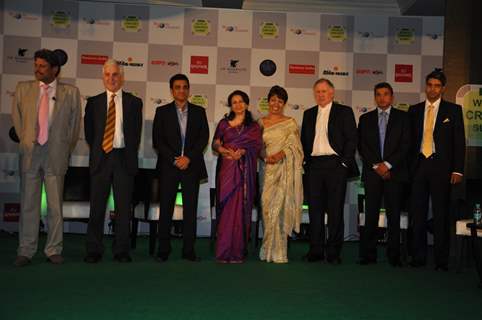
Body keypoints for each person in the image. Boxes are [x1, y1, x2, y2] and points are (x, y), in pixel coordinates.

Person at [12, 48, 81, 266]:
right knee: (28, 204)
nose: (37, 69)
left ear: (55, 69)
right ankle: (26, 249)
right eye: (36, 65)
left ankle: (53, 249)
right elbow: (17, 120)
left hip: (56, 154)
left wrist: (63, 150)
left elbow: (74, 128)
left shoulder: (71, 92)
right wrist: (26, 142)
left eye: (42, 66)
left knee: (54, 205)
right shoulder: (23, 89)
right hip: (31, 154)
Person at [84, 59, 143, 263]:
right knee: (97, 207)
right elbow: (89, 133)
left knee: (123, 208)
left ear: (122, 77)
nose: (112, 78)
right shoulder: (93, 102)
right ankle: (94, 250)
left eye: (115, 74)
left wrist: (127, 154)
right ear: (103, 77)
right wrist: (100, 151)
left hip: (123, 159)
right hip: (101, 158)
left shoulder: (134, 103)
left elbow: (135, 133)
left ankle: (121, 250)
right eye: (108, 75)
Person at [408, 70, 465, 271]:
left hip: (442, 168)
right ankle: (418, 257)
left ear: (443, 88)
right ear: (426, 86)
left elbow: (459, 143)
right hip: (418, 167)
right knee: (418, 214)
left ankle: (441, 260)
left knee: (441, 215)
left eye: (437, 85)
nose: (433, 89)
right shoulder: (414, 110)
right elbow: (408, 143)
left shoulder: (453, 110)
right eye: (430, 85)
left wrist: (458, 170)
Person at [301, 78, 358, 265]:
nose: (320, 94)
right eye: (317, 91)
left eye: (324, 91)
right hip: (314, 167)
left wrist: (344, 164)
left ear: (332, 93)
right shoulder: (308, 114)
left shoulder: (344, 112)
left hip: (336, 166)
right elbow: (304, 141)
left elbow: (351, 139)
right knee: (314, 211)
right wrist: (306, 164)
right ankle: (315, 250)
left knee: (335, 211)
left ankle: (333, 252)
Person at [153, 74, 209, 262]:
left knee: (190, 210)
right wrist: (175, 159)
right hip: (169, 166)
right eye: (177, 87)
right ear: (172, 90)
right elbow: (158, 141)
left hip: (191, 166)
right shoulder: (162, 112)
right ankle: (163, 250)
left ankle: (189, 250)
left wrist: (188, 158)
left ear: (188, 90)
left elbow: (203, 138)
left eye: (185, 87)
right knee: (166, 209)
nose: (181, 90)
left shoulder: (199, 112)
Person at [358, 82, 410, 267]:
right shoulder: (365, 119)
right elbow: (362, 146)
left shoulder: (404, 118)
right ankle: (368, 255)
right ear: (375, 97)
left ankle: (394, 256)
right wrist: (377, 166)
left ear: (392, 97)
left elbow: (406, 145)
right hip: (373, 174)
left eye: (386, 94)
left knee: (393, 216)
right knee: (370, 215)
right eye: (378, 94)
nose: (382, 97)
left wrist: (387, 166)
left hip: (395, 174)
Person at [212, 90, 262, 263]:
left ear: (247, 104)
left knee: (241, 209)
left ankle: (237, 252)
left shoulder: (254, 127)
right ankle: (223, 251)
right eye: (234, 102)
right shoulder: (224, 124)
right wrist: (226, 151)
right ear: (230, 105)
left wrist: (243, 151)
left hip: (244, 172)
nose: (238, 104)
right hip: (227, 169)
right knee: (226, 209)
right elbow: (215, 143)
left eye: (241, 101)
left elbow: (256, 147)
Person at [259, 85, 304, 264]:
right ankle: (267, 249)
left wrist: (281, 154)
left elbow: (296, 146)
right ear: (268, 101)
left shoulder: (290, 122)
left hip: (285, 170)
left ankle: (279, 252)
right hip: (267, 170)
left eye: (280, 101)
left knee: (281, 209)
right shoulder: (260, 122)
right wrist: (265, 157)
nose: (276, 104)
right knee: (268, 209)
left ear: (284, 103)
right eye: (273, 100)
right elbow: (257, 146)